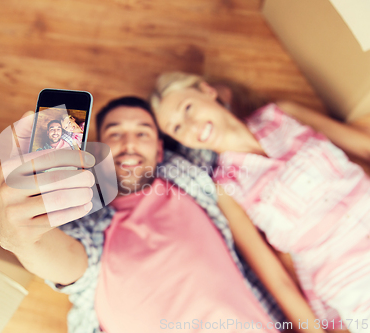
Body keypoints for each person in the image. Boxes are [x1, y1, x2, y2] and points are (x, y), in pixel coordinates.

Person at [0, 97, 323, 333]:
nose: (129, 144)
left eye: (143, 133)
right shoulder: (90, 223)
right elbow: (70, 263)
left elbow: (220, 103)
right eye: (115, 133)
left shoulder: (195, 177)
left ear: (161, 148)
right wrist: (24, 240)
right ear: (99, 153)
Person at [151, 71, 370, 333]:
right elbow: (276, 279)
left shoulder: (284, 114)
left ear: (207, 91)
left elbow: (365, 147)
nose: (189, 125)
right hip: (348, 278)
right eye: (176, 128)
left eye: (187, 108)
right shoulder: (225, 188)